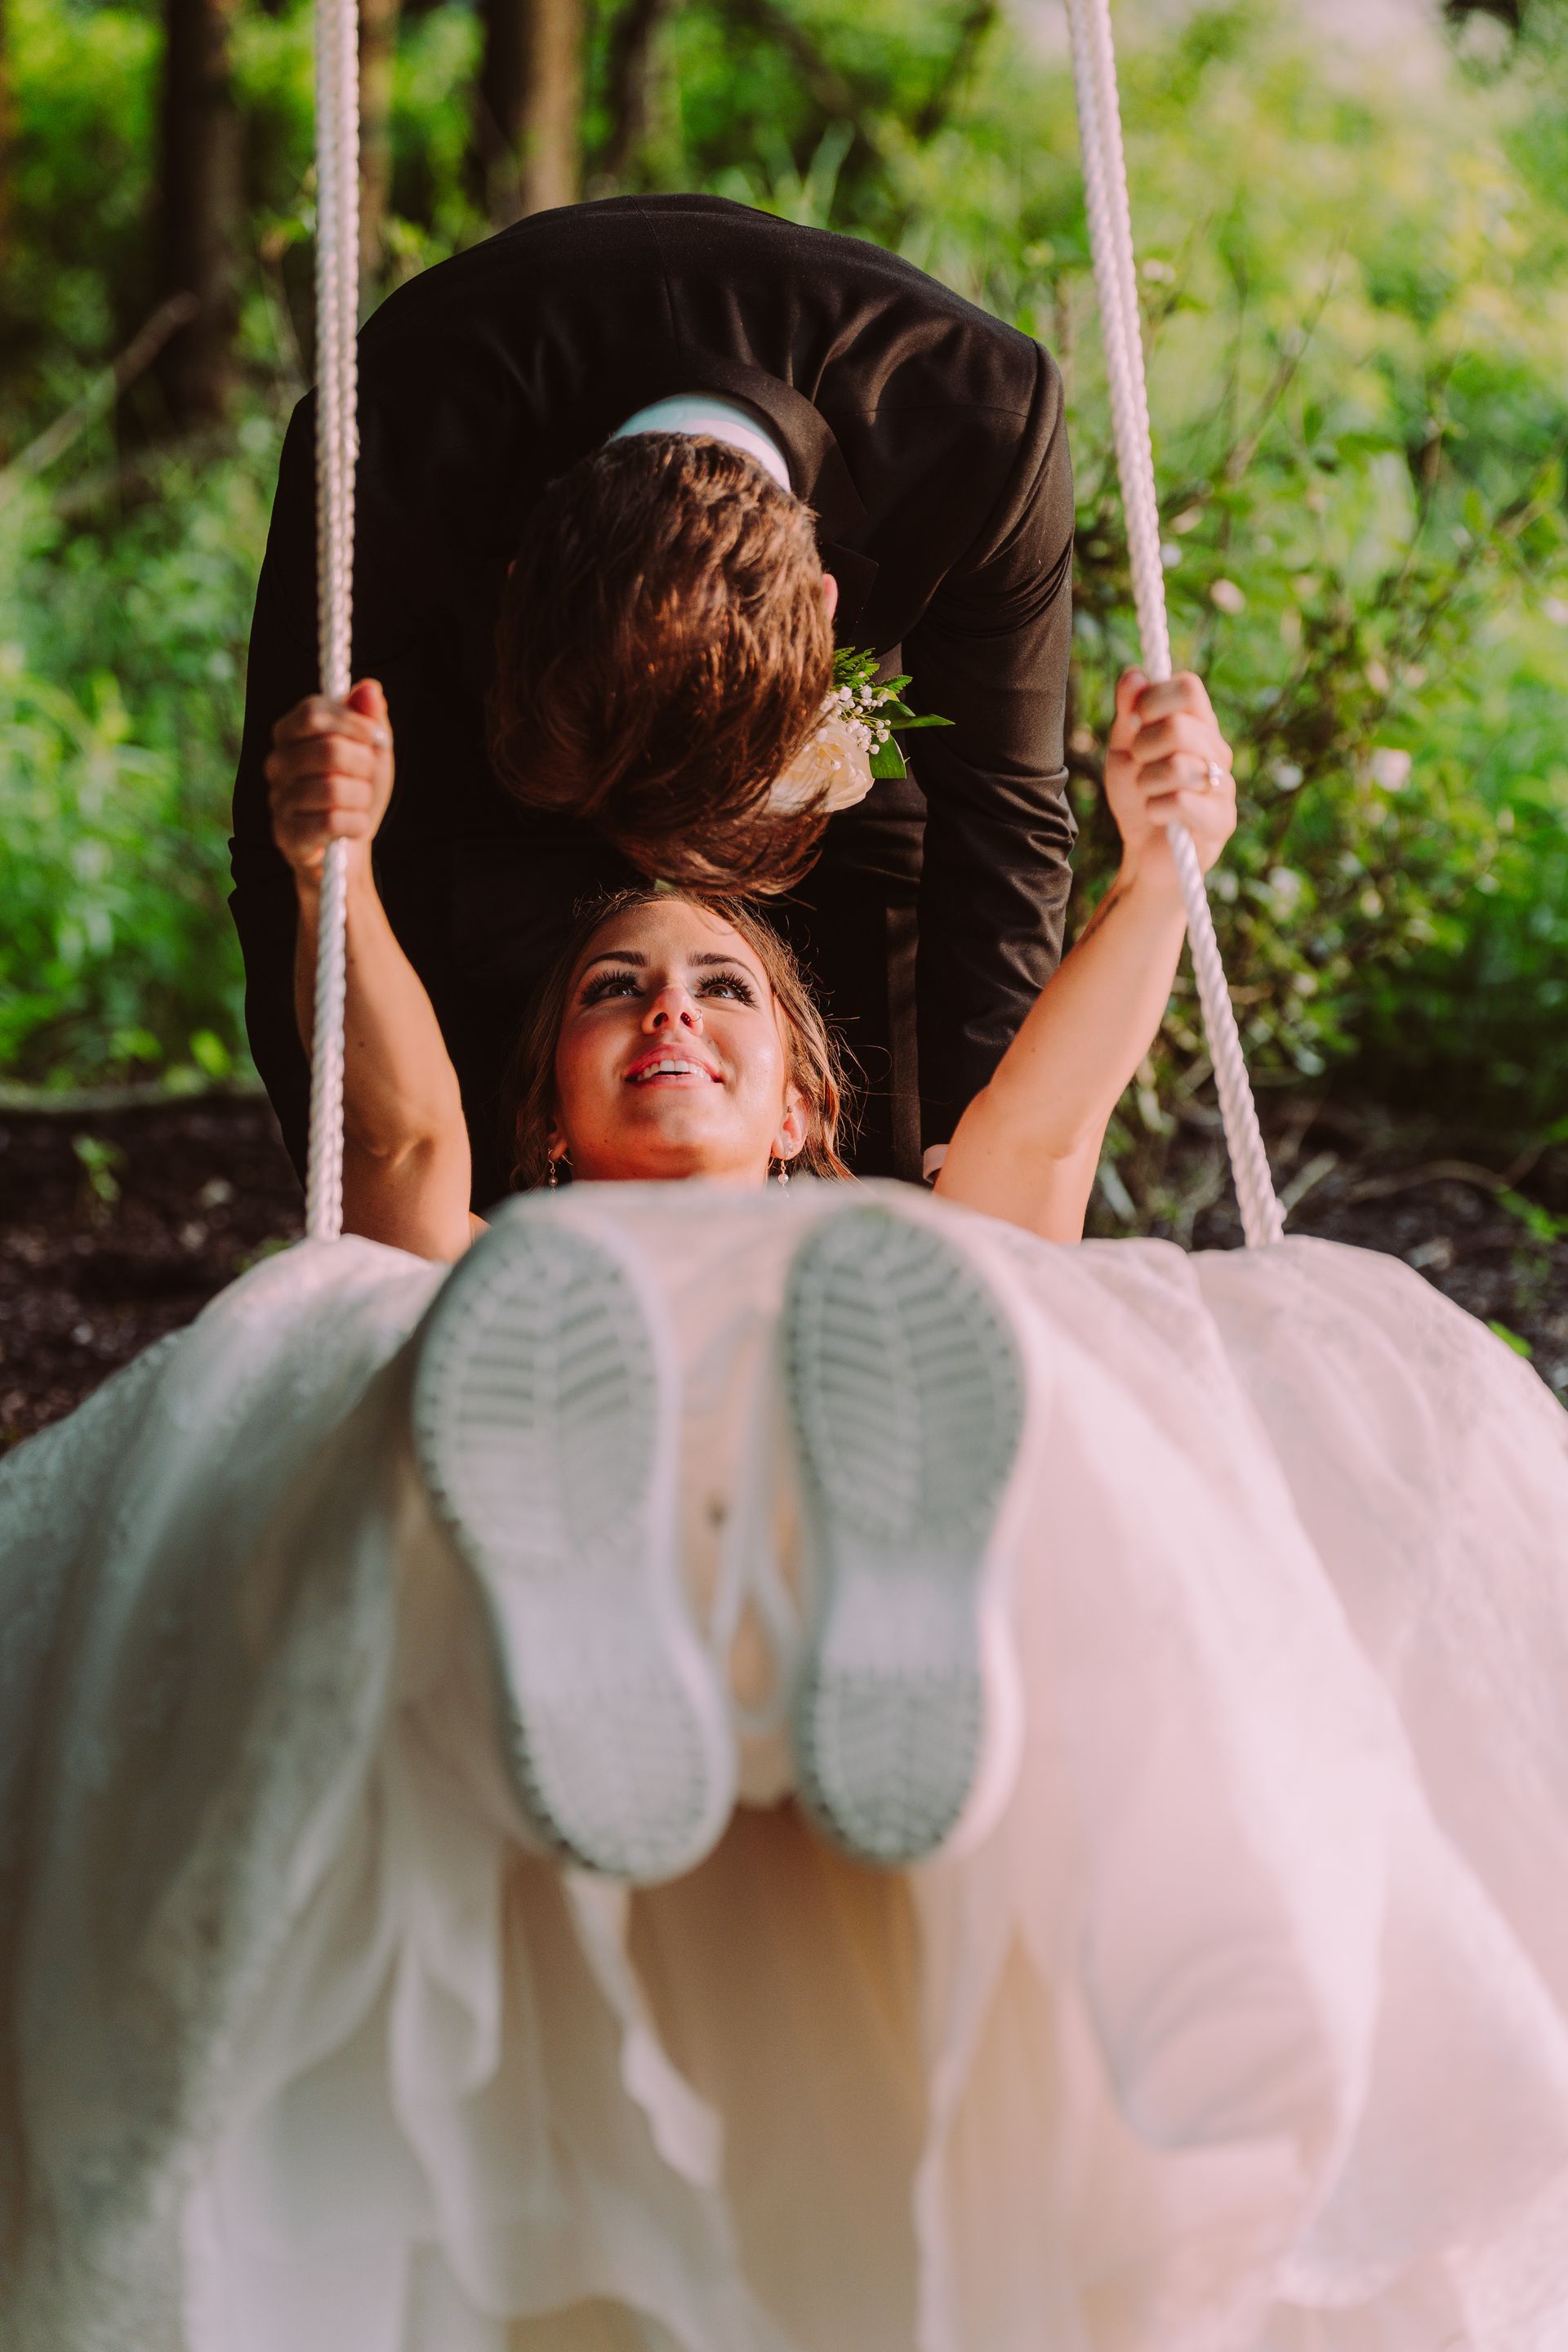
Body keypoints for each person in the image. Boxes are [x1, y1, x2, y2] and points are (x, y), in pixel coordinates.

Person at [231, 195, 1079, 1203]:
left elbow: (1006, 819)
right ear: (513, 585)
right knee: (470, 1158)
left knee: (895, 1158)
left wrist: (975, 1165)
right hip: (495, 763)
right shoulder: (385, 437)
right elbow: (286, 848)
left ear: (824, 604)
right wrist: (360, 1196)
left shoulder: (982, 421)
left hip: (824, 792)